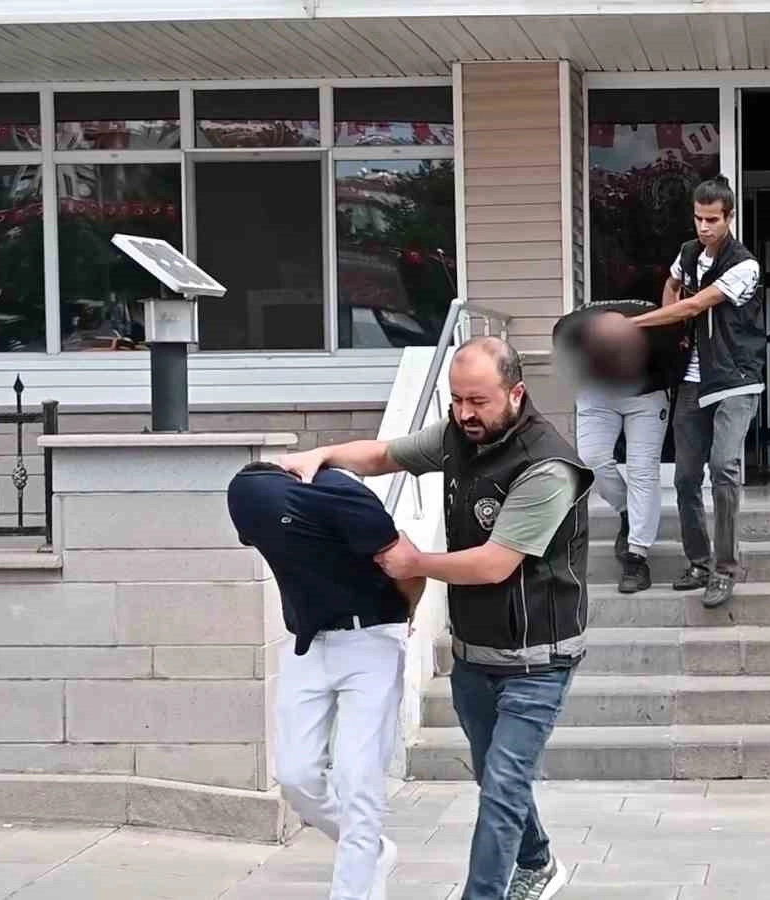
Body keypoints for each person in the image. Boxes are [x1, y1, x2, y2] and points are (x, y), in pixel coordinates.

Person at [272, 336, 593, 900]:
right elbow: (384, 456)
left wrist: (415, 563)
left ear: (516, 393)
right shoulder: (456, 437)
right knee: (495, 777)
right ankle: (537, 860)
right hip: (475, 654)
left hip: (538, 660)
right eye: (457, 399)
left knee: (501, 790)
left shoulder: (548, 467)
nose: (465, 413)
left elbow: (495, 564)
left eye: (479, 401)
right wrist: (320, 456)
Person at [227, 463, 425, 900]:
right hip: (307, 643)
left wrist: (404, 616)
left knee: (358, 779)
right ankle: (371, 849)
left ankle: (353, 885)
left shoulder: (341, 497)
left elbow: (410, 569)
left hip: (371, 639)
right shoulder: (252, 504)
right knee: (295, 776)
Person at [632, 175, 764, 610]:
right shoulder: (688, 253)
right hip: (692, 379)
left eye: (713, 219)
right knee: (686, 477)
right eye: (698, 218)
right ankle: (699, 562)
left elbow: (694, 304)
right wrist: (669, 318)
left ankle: (724, 569)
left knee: (723, 467)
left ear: (729, 218)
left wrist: (635, 324)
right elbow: (674, 286)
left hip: (735, 379)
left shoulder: (744, 264)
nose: (704, 227)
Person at [554, 301, 685, 594]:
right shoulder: (571, 330)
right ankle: (627, 512)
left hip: (647, 392)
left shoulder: (662, 333)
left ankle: (636, 557)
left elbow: (677, 367)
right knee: (591, 461)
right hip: (597, 392)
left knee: (642, 469)